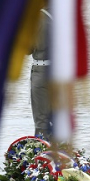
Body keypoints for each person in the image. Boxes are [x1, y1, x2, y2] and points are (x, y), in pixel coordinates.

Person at [30, 9, 53, 137]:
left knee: (41, 121)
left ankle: (42, 153)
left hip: (41, 69)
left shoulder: (36, 17)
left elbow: (27, 48)